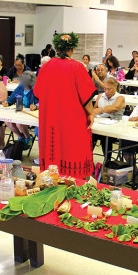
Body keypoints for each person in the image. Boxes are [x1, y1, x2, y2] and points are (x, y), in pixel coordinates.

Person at [34, 32, 97, 177]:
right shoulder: (77, 67)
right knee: (72, 149)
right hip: (72, 118)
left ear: (57, 48)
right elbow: (86, 97)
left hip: (50, 117)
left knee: (53, 147)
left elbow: (37, 93)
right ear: (72, 49)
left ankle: (53, 175)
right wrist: (91, 113)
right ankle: (74, 179)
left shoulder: (45, 67)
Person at [92, 77, 126, 161]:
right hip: (100, 124)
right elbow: (93, 110)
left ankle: (107, 162)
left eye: (109, 89)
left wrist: (101, 109)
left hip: (114, 126)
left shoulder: (120, 98)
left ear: (115, 88)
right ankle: (88, 160)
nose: (106, 91)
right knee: (90, 136)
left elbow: (115, 108)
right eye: (105, 89)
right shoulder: (100, 96)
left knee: (105, 138)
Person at [3, 71, 38, 149]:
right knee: (7, 121)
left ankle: (28, 137)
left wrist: (35, 106)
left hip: (30, 113)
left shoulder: (35, 89)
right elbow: (11, 98)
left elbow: (41, 102)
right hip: (20, 111)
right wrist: (7, 102)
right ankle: (20, 137)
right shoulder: (20, 88)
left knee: (19, 123)